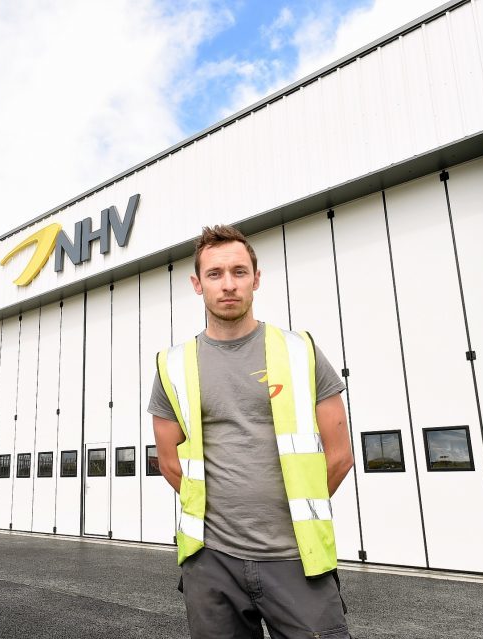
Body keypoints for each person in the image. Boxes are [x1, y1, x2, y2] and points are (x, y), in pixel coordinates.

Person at [147, 225, 354, 639]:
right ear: (197, 284)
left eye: (239, 272)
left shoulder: (302, 352)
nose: (228, 285)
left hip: (296, 558)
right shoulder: (171, 365)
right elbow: (170, 464)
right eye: (215, 274)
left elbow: (340, 455)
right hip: (211, 562)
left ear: (256, 279)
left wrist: (292, 512)